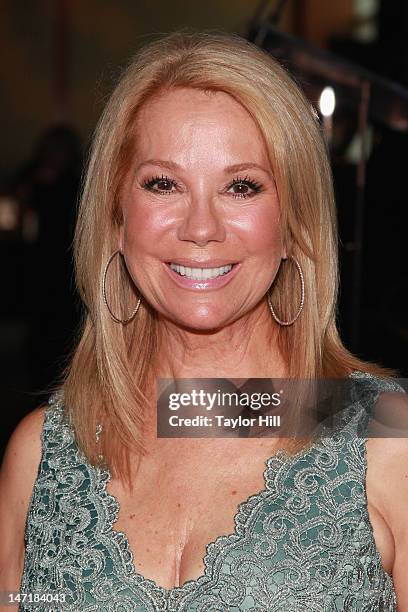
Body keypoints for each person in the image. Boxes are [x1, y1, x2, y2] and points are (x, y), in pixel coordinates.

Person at [0, 31, 407, 611]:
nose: (200, 227)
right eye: (163, 183)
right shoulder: (41, 454)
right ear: (116, 218)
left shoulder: (387, 438)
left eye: (242, 186)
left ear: (294, 224)